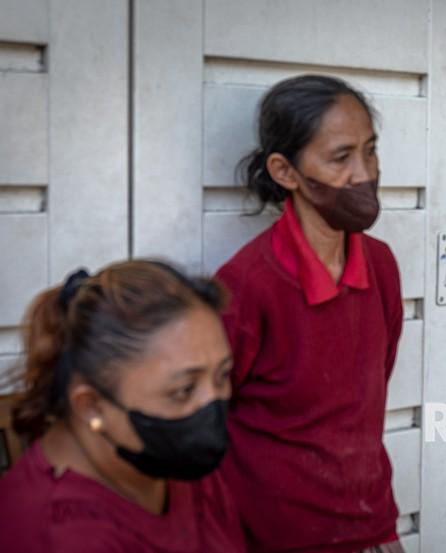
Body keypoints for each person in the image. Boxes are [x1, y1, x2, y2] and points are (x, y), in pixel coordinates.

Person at [216, 75, 404, 553]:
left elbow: (371, 386)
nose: (364, 174)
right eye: (341, 157)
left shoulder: (380, 265)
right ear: (285, 171)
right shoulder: (247, 284)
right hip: (276, 536)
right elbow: (207, 419)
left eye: (370, 150)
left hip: (372, 524)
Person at [0, 261, 246, 553]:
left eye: (222, 375)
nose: (211, 402)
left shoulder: (179, 462)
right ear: (92, 406)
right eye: (184, 390)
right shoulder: (57, 536)